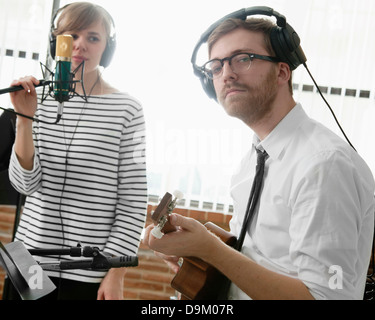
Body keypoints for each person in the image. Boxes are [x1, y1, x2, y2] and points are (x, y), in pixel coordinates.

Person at [143, 16, 375, 300]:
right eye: (216, 66)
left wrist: (210, 249)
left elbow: (324, 297)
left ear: (282, 72)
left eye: (242, 59)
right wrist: (196, 249)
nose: (226, 73)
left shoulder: (324, 165)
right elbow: (253, 256)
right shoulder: (253, 159)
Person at [6, 2, 147, 300]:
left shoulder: (128, 109)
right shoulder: (36, 99)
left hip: (88, 267)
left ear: (108, 48)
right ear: (57, 43)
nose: (81, 46)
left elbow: (133, 198)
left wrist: (117, 269)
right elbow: (25, 184)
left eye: (93, 38)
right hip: (27, 259)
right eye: (71, 37)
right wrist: (24, 118)